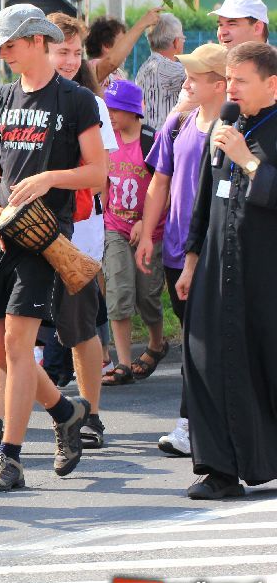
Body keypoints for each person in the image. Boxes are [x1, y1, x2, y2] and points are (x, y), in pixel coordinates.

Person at [0, 5, 105, 491]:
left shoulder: (76, 99)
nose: (3, 53)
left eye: (10, 44)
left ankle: (10, 458)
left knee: (17, 345)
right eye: (1, 46)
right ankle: (66, 411)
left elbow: (98, 172)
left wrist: (49, 178)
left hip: (45, 238)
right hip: (1, 233)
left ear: (37, 40)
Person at [178, 42, 277, 499]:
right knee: (206, 362)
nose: (231, 88)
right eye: (229, 79)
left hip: (265, 274)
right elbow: (204, 200)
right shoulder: (226, 126)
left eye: (241, 81)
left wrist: (249, 162)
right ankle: (218, 469)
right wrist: (191, 262)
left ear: (272, 83)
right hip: (217, 267)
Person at [136, 43, 229, 458]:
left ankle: (193, 423)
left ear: (220, 85)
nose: (185, 83)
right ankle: (203, 422)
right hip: (177, 251)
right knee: (195, 338)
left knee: (203, 341)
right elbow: (159, 181)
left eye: (194, 77)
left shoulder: (234, 130)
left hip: (218, 250)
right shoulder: (177, 124)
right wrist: (147, 235)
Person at [43, 12, 123, 449]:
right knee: (11, 329)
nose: (71, 60)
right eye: (63, 52)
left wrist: (51, 182)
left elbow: (99, 177)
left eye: (76, 52)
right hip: (29, 228)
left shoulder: (90, 104)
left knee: (80, 325)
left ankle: (89, 413)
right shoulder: (15, 99)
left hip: (79, 228)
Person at [100, 80, 166, 386]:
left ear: (133, 111)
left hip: (151, 232)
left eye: (116, 110)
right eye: (108, 109)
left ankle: (156, 343)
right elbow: (104, 181)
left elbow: (164, 189)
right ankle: (124, 363)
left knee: (147, 295)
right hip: (115, 227)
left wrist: (145, 222)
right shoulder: (107, 140)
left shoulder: (152, 140)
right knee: (118, 292)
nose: (111, 116)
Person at [133, 13, 186, 132]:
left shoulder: (144, 68)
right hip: (165, 138)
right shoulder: (173, 70)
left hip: (146, 136)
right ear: (175, 42)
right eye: (183, 38)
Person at [85, 9, 162, 89]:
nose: (127, 50)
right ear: (106, 45)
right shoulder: (91, 69)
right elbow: (111, 62)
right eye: (122, 43)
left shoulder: (118, 73)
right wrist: (144, 23)